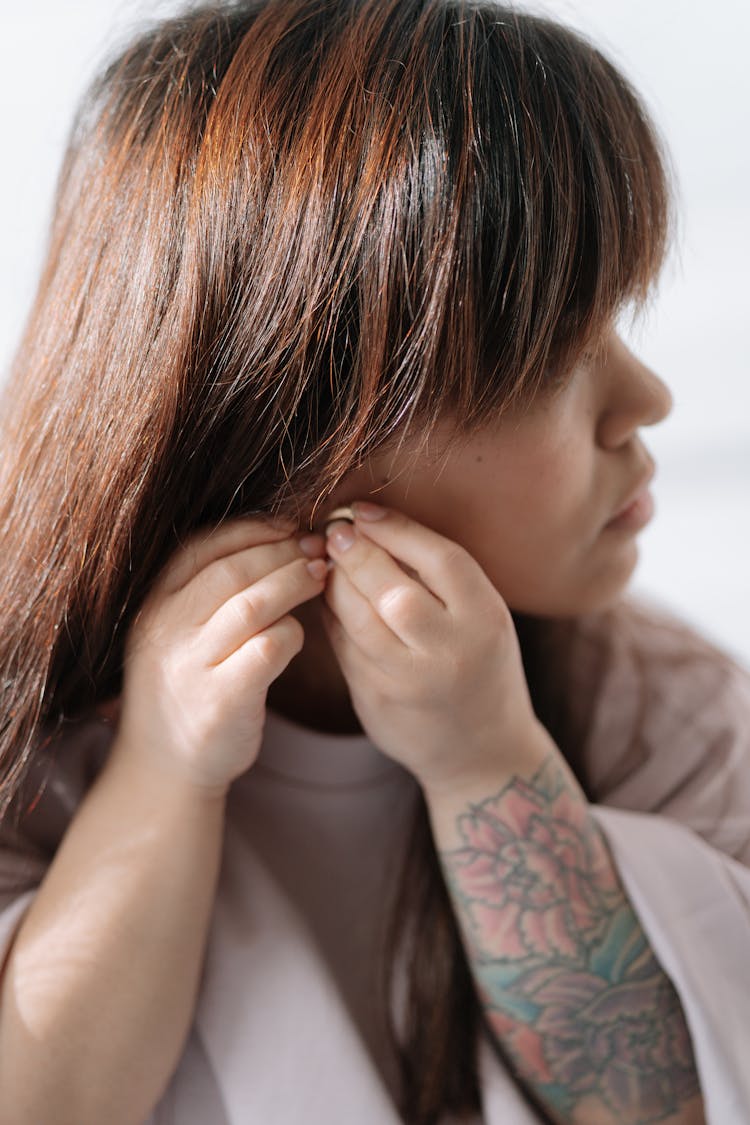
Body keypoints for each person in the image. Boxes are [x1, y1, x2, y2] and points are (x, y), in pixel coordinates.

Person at [0, 0, 748, 1121]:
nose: (646, 403)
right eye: (554, 358)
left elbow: (663, 1102)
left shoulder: (659, 708)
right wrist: (161, 780)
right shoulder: (35, 742)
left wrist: (490, 765)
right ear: (289, 435)